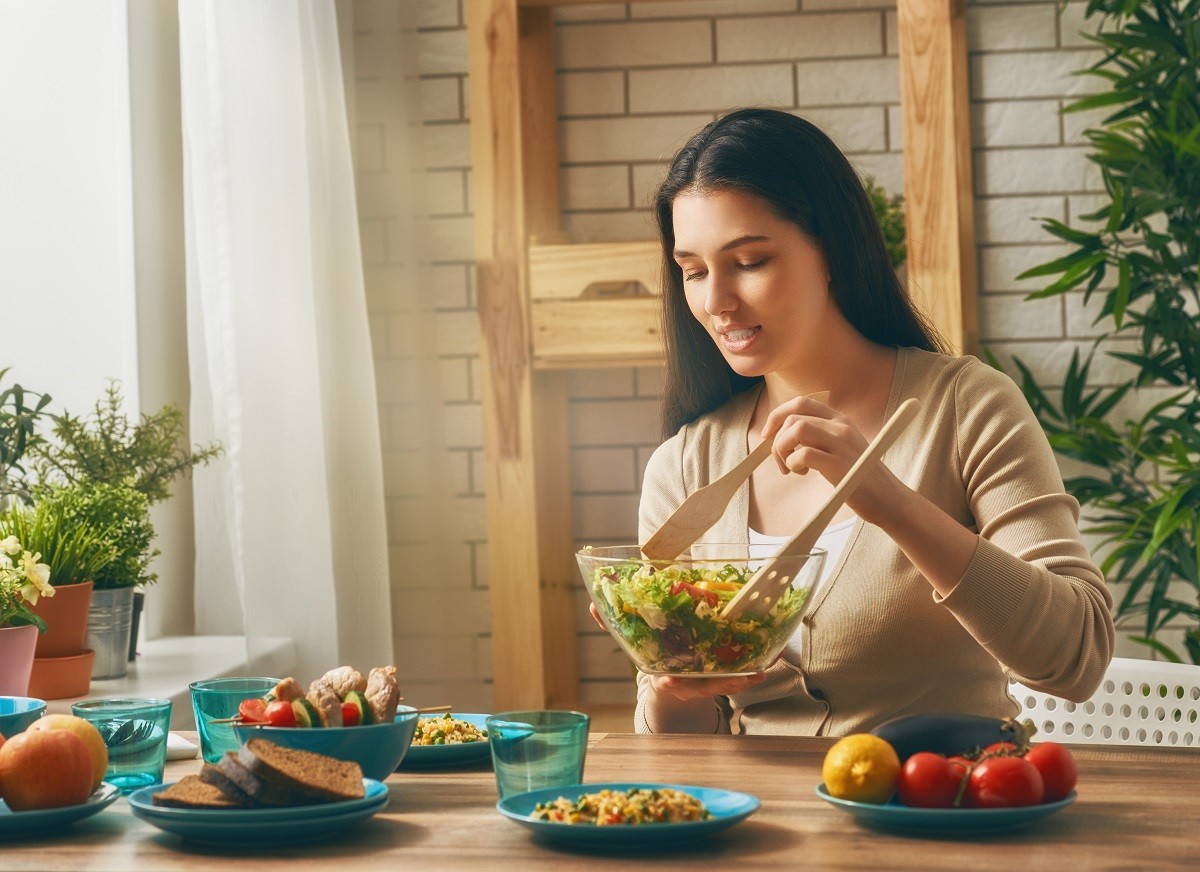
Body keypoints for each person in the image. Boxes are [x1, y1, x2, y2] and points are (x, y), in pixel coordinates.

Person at [633, 107, 1114, 736]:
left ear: (830, 250)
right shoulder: (685, 465)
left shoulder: (967, 407)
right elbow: (680, 754)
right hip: (763, 825)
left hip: (943, 807)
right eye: (693, 272)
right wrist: (673, 688)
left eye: (749, 262)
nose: (716, 301)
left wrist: (889, 501)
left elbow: (1074, 658)